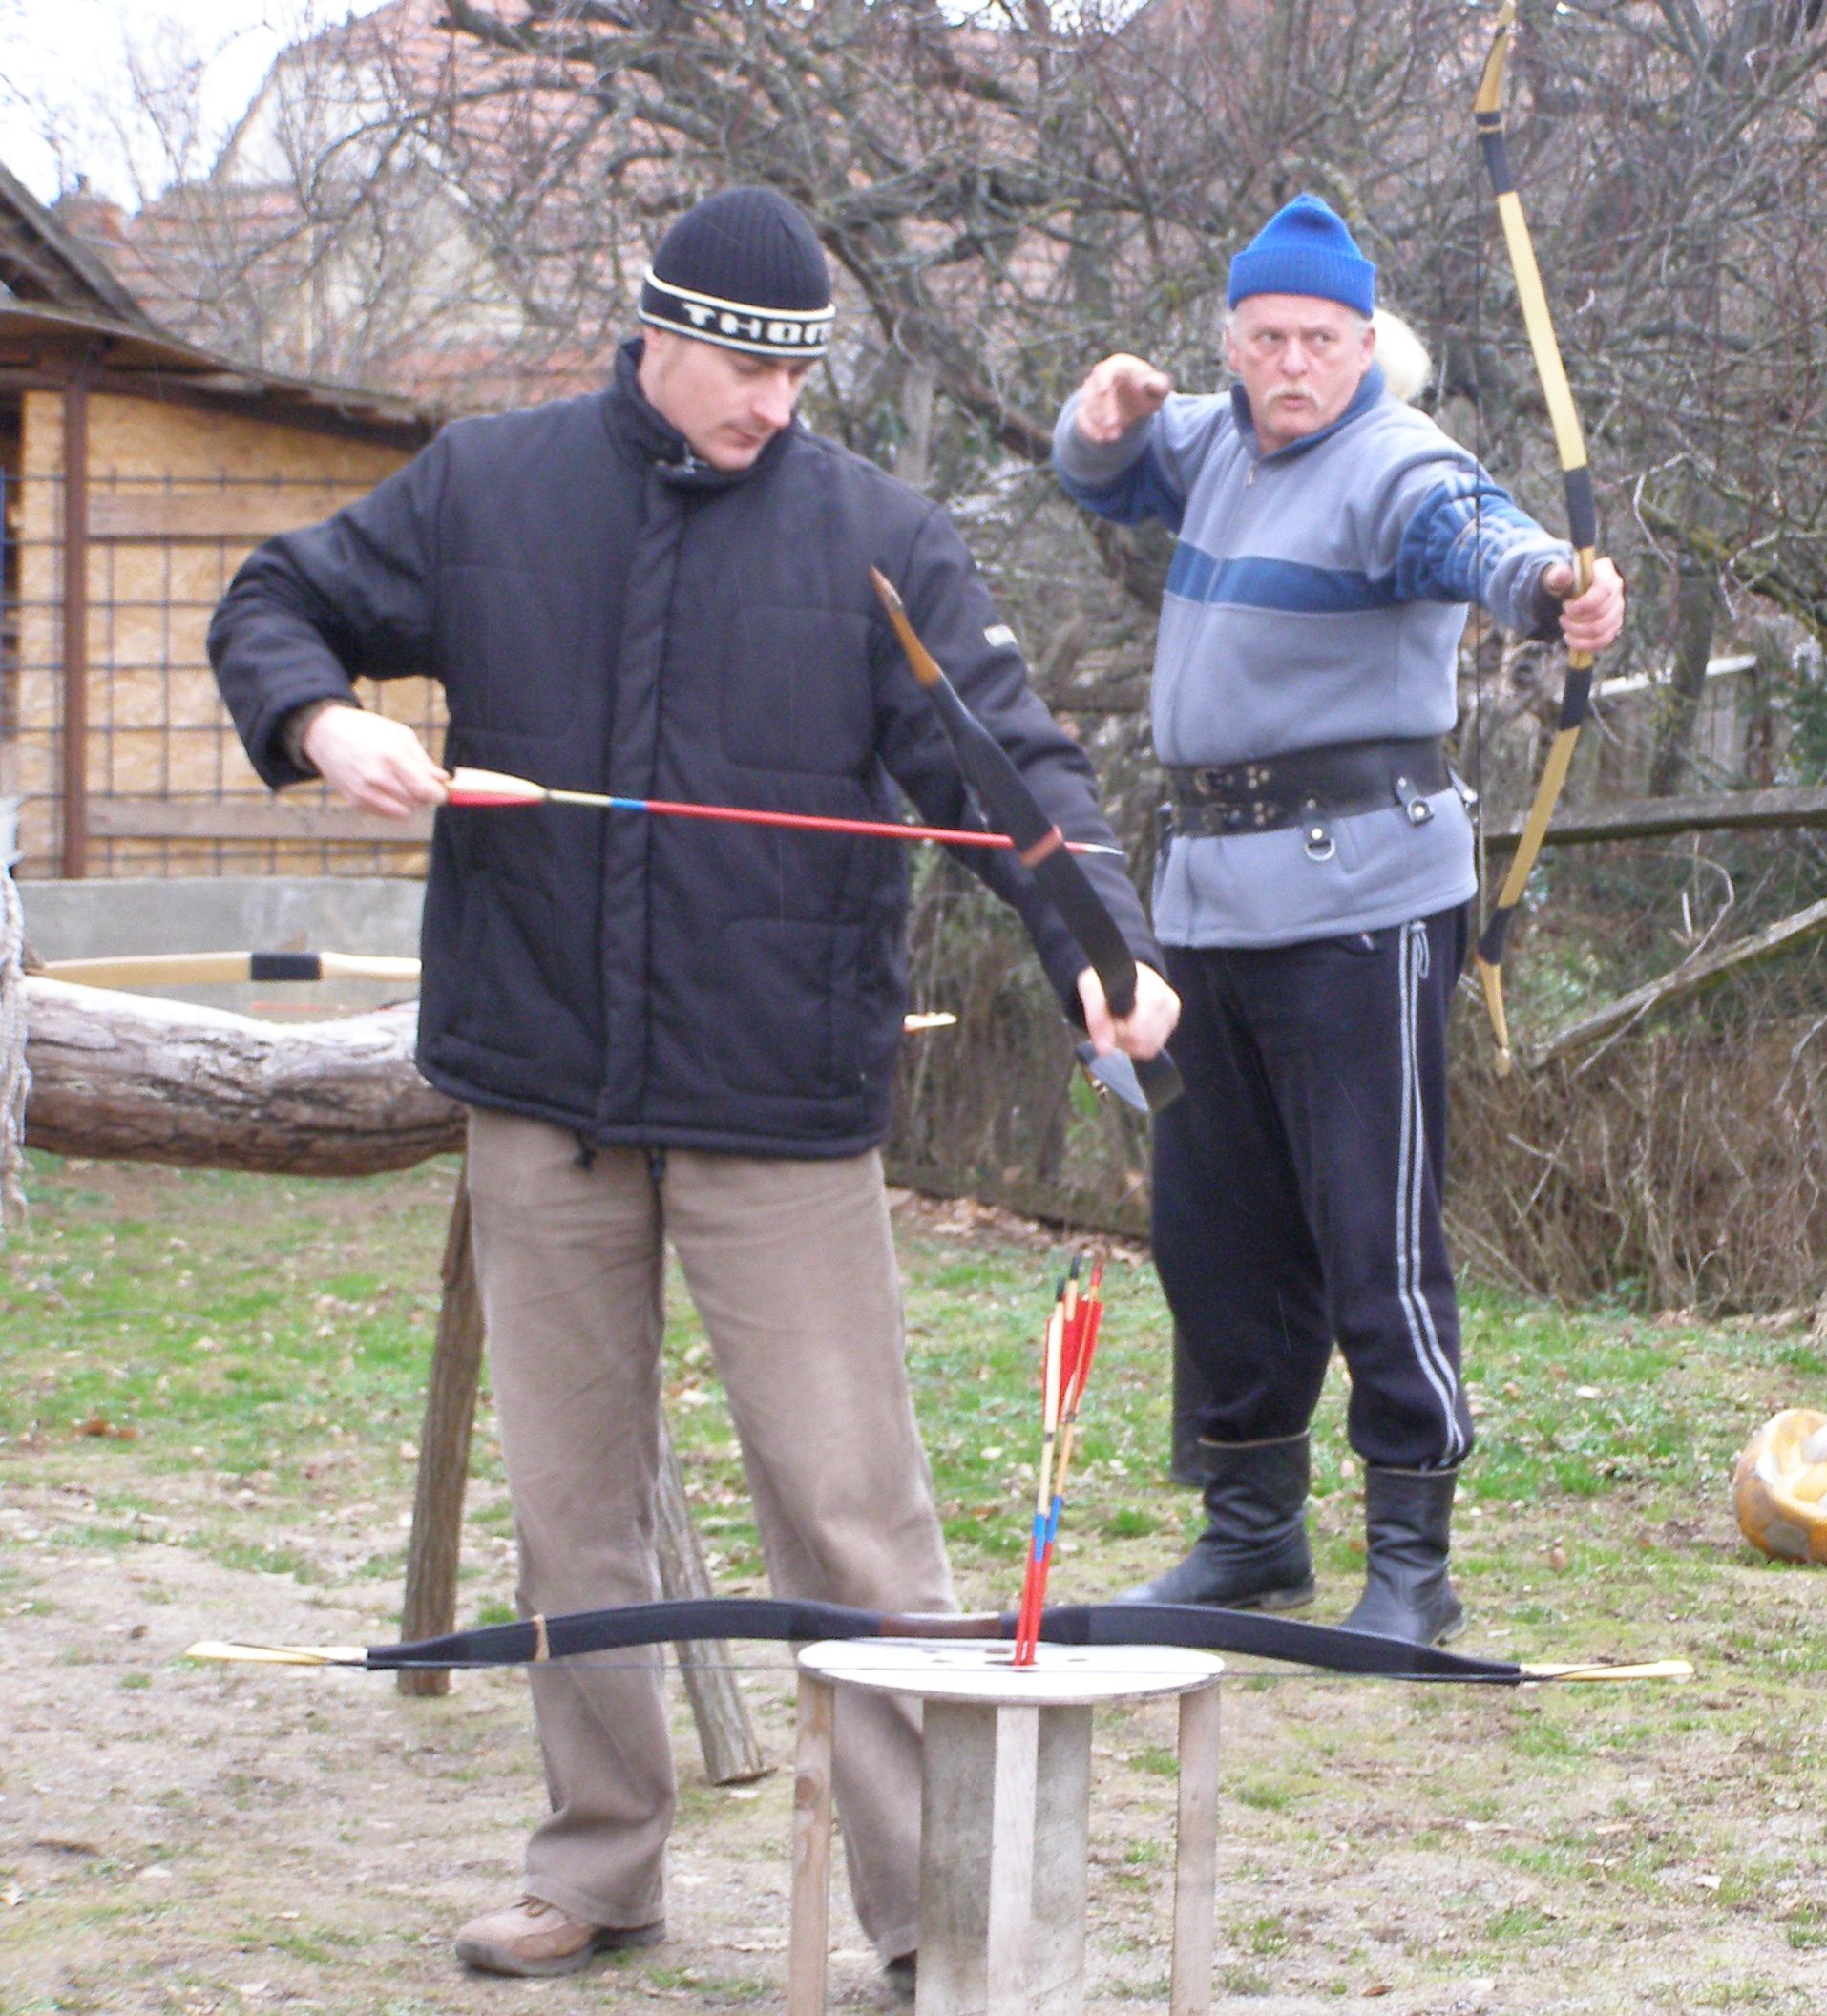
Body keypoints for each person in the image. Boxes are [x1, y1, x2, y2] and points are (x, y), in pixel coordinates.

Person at [208, 187, 1177, 1989]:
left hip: (777, 1100)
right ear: (658, 333)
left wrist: (1099, 946)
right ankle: (597, 1865)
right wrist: (320, 721)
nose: (772, 407)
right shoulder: (487, 486)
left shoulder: (877, 537)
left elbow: (1010, 770)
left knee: (852, 1518)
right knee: (572, 1512)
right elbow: (276, 597)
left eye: (799, 376)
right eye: (745, 368)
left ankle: (933, 1914)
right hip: (541, 1086)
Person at [1052, 195, 1625, 1646]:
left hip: (1362, 903)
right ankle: (1251, 1536)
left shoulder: (1398, 461)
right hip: (1207, 904)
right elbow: (1103, 473)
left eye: (1320, 337)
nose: (1293, 363)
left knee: (1371, 1228)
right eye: (1267, 338)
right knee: (1216, 1229)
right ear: (1232, 342)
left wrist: (1556, 586)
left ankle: (1412, 1564)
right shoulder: (1215, 440)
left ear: (1366, 342)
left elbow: (1483, 540)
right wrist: (1102, 420)